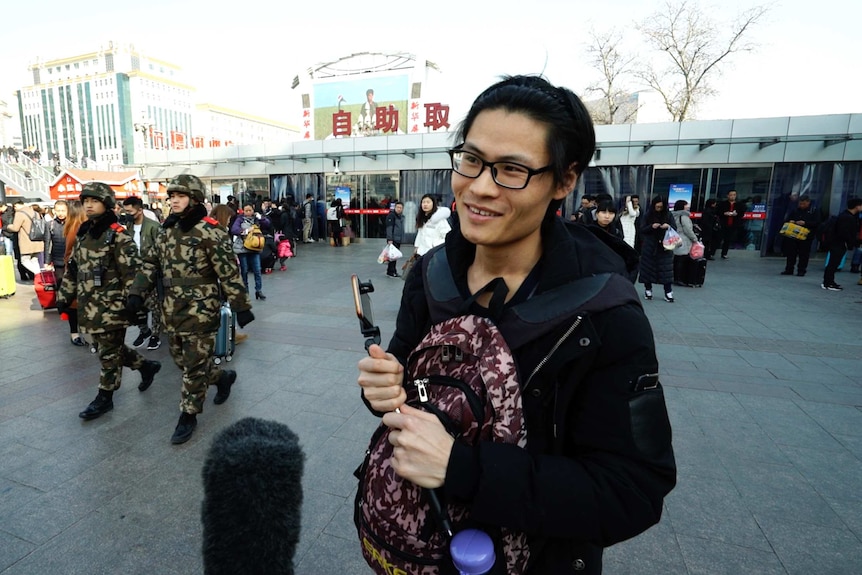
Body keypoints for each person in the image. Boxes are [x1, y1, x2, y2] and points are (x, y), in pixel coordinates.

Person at [356, 75, 675, 574]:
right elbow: (414, 384)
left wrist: (463, 469)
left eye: (511, 170)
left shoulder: (603, 313)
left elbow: (633, 490)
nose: (479, 187)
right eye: (472, 160)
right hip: (414, 552)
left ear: (565, 181)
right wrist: (386, 385)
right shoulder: (433, 274)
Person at [128, 175, 255, 444]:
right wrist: (136, 293)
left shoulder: (209, 230)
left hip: (201, 308)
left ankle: (188, 415)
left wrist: (241, 306)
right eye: (171, 195)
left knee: (194, 367)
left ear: (194, 199)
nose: (173, 200)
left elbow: (228, 272)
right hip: (172, 309)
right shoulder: (166, 230)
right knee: (182, 362)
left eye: (180, 196)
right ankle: (222, 377)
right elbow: (149, 264)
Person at [55, 183, 162, 421]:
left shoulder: (118, 235)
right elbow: (74, 269)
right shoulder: (84, 233)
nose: (89, 205)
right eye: (86, 201)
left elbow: (133, 274)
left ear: (107, 204)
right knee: (109, 349)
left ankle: (105, 397)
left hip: (114, 306)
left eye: (95, 201)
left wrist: (135, 303)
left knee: (107, 354)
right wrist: (63, 298)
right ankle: (146, 366)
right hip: (89, 305)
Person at [122, 196, 164, 350]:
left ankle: (155, 335)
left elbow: (160, 251)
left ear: (140, 210)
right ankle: (144, 330)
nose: (127, 214)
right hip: (134, 273)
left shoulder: (153, 227)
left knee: (155, 306)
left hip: (151, 273)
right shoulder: (128, 227)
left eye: (130, 211)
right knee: (135, 303)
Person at [59, 200, 87, 346]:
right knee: (74, 304)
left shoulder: (76, 226)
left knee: (75, 303)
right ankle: (75, 333)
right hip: (76, 272)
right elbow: (69, 253)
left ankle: (76, 333)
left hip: (78, 271)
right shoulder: (76, 227)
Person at [639, 196, 676, 302]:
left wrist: (668, 226)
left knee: (666, 270)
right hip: (650, 246)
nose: (658, 208)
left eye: (660, 206)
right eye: (657, 206)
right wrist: (651, 226)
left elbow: (674, 228)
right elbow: (642, 229)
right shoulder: (648, 215)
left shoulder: (668, 215)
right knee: (647, 269)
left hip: (665, 247)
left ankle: (668, 292)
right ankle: (648, 290)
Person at [821, 197, 862, 291]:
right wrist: (851, 242)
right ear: (857, 206)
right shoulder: (847, 217)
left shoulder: (847, 216)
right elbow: (844, 232)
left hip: (838, 243)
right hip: (838, 243)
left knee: (835, 262)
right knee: (833, 263)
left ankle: (830, 281)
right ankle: (828, 283)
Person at [230, 204, 269, 300]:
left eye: (249, 210)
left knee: (257, 270)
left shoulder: (257, 219)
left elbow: (267, 224)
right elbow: (234, 230)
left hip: (255, 248)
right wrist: (246, 231)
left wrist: (261, 218)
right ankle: (245, 291)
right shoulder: (240, 219)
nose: (248, 212)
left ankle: (258, 290)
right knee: (244, 270)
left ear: (253, 210)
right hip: (243, 248)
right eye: (246, 210)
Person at [780, 195, 819, 277]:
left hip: (806, 236)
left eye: (804, 204)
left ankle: (801, 270)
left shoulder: (814, 211)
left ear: (808, 203)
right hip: (793, 234)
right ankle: (789, 269)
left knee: (804, 254)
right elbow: (786, 220)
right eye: (800, 204)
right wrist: (791, 221)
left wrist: (805, 223)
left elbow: (817, 223)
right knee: (791, 253)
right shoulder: (795, 210)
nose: (802, 205)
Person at [6, 199, 44, 281]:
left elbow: (15, 228)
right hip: (37, 240)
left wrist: (9, 226)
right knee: (34, 260)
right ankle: (40, 278)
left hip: (27, 241)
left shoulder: (19, 213)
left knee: (25, 260)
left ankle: (39, 274)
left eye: (15, 206)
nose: (14, 208)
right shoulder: (35, 212)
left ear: (17, 205)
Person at [670, 199, 699, 286]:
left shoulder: (673, 216)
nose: (688, 206)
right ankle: (680, 278)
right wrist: (695, 239)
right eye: (686, 205)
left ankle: (675, 277)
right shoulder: (684, 217)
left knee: (677, 259)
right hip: (684, 240)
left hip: (675, 239)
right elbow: (688, 230)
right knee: (682, 259)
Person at [716, 190, 745, 259]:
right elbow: (717, 212)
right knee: (718, 238)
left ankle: (724, 253)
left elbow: (742, 213)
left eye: (734, 195)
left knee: (728, 240)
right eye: (731, 195)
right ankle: (712, 253)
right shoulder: (722, 204)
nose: (732, 196)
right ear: (728, 196)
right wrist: (724, 213)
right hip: (723, 224)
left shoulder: (739, 205)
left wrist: (736, 214)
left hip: (733, 224)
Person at [384, 201, 404, 277]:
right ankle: (391, 271)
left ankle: (392, 270)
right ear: (395, 208)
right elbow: (389, 228)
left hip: (398, 239)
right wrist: (390, 239)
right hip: (393, 239)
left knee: (394, 256)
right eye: (398, 207)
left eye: (401, 208)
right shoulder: (391, 216)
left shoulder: (401, 216)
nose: (399, 209)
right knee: (393, 256)